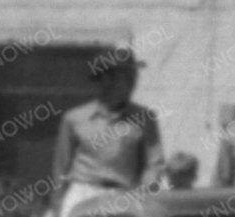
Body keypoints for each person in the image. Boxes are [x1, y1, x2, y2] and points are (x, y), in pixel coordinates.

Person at [51, 48, 169, 196]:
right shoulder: (75, 118)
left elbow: (154, 164)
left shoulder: (144, 118)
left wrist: (145, 191)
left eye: (133, 75)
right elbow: (61, 168)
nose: (133, 82)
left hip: (123, 195)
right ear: (106, 79)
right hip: (82, 193)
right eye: (126, 76)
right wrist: (57, 207)